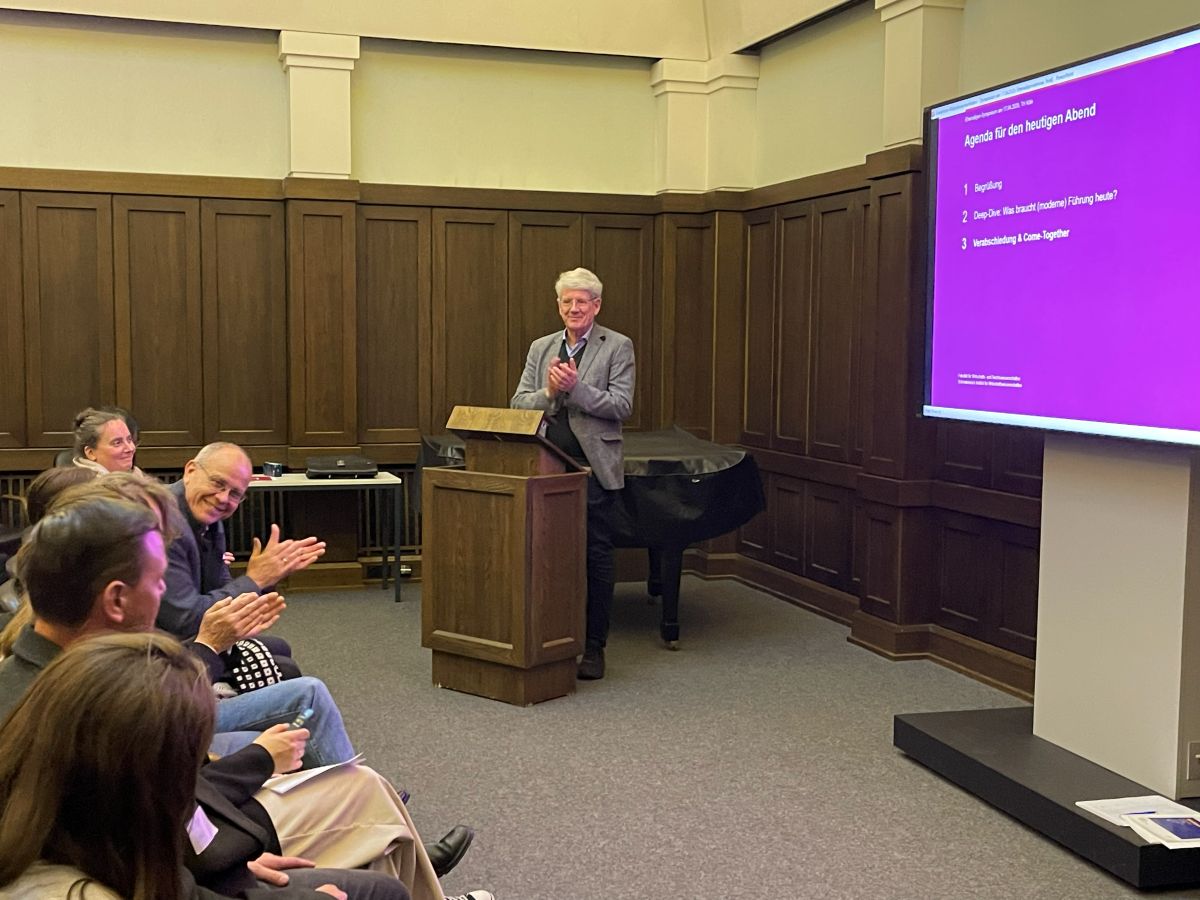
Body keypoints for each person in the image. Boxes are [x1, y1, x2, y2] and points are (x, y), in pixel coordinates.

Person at [0, 491, 484, 894]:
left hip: (195, 852)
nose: (164, 592)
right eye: (159, 580)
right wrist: (236, 861)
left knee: (366, 807)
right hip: (191, 865)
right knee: (375, 870)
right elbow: (148, 856)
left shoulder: (54, 678)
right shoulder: (91, 707)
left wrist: (232, 861)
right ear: (117, 598)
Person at [511, 267, 635, 680]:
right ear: (558, 305)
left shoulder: (617, 346)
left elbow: (622, 406)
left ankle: (595, 646)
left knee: (595, 557)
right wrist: (549, 392)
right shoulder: (541, 347)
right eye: (567, 301)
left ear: (596, 306)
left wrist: (576, 389)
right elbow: (517, 404)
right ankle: (549, 640)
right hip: (545, 470)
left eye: (582, 301)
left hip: (593, 471)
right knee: (545, 557)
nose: (574, 308)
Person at [160, 441, 326, 640]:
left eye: (235, 494)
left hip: (188, 635)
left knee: (278, 647)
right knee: (274, 655)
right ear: (190, 471)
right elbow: (184, 620)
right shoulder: (162, 522)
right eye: (217, 483)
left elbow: (218, 587)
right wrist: (255, 580)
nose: (223, 498)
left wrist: (267, 577)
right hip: (151, 647)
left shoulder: (207, 516)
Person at [70, 405, 142, 474]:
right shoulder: (84, 482)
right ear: (90, 453)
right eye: (117, 443)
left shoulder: (136, 476)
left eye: (129, 440)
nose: (130, 448)